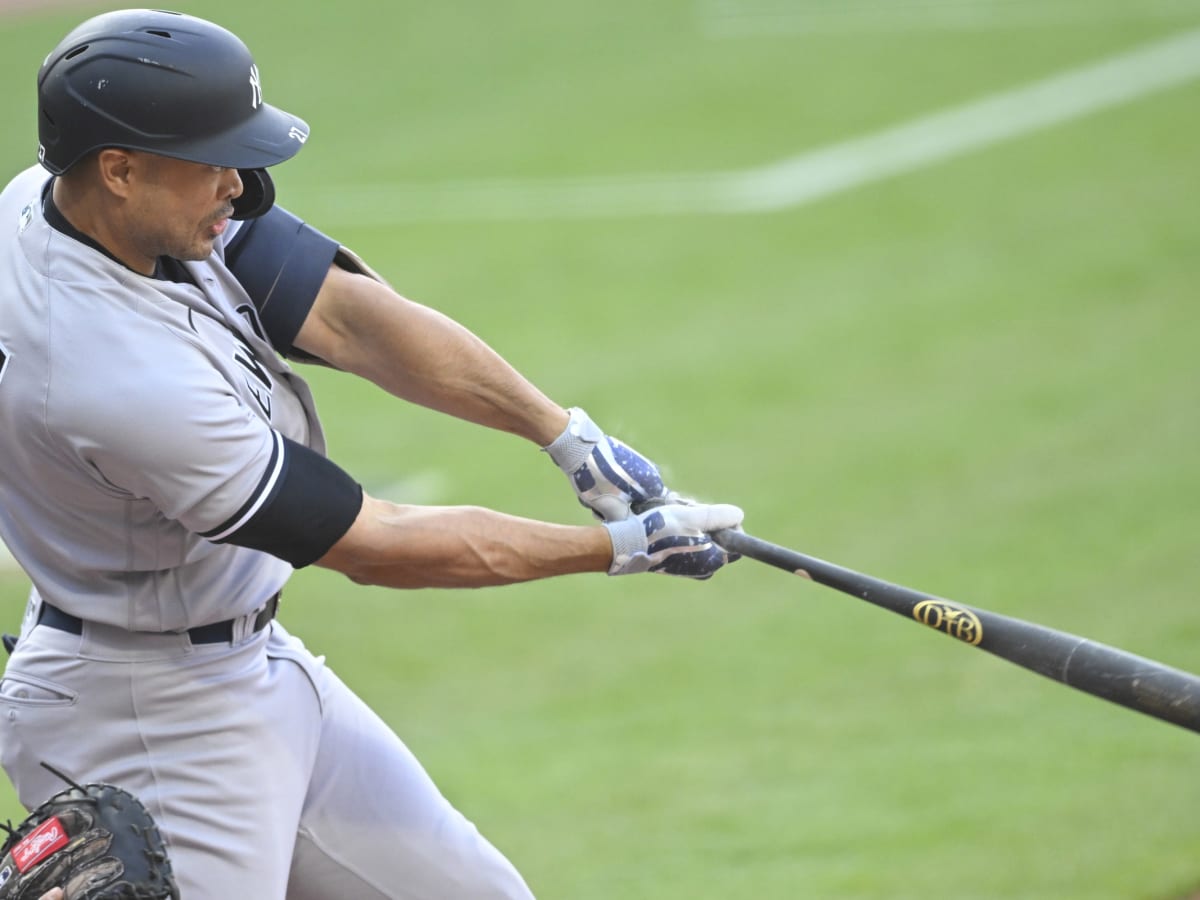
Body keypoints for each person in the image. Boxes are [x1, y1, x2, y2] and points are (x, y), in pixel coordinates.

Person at [0, 9, 743, 900]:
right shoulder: (119, 383)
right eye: (213, 160)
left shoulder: (72, 201)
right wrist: (619, 549)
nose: (237, 181)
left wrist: (568, 436)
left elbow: (347, 316)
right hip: (150, 722)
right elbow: (376, 543)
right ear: (119, 169)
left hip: (245, 665)